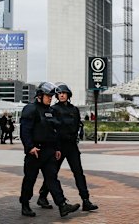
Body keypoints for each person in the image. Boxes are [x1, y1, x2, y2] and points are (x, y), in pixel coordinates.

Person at [19, 82, 79, 218]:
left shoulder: (51, 111)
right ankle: (25, 204)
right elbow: (25, 130)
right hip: (35, 151)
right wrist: (29, 147)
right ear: (39, 96)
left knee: (52, 179)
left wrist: (57, 148)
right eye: (48, 96)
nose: (50, 98)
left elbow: (54, 131)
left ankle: (63, 205)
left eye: (51, 96)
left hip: (49, 151)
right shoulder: (30, 109)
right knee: (30, 179)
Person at [37, 83, 98, 212]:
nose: (61, 95)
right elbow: (52, 128)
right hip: (58, 146)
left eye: (64, 93)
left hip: (71, 145)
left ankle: (86, 200)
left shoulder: (74, 109)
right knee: (52, 173)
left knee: (78, 173)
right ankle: (42, 196)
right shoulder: (53, 109)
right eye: (59, 93)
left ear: (68, 95)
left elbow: (78, 125)